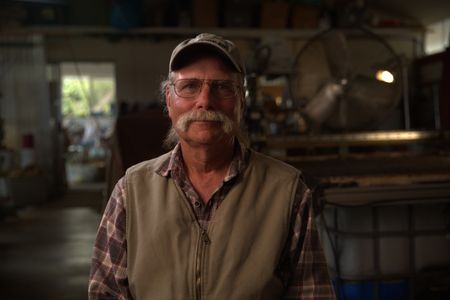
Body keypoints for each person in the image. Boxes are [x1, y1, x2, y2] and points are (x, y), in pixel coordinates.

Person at [88, 33, 336, 300]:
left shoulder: (288, 191)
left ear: (241, 102)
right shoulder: (131, 191)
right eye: (190, 86)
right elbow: (106, 293)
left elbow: (312, 295)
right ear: (169, 101)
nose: (205, 100)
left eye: (222, 87)